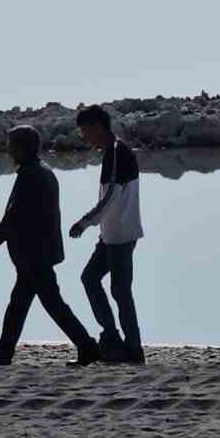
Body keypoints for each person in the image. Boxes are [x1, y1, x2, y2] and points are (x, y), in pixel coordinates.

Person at [0, 125, 101, 367]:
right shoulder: (40, 172)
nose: (8, 150)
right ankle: (5, 353)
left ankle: (87, 346)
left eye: (12, 145)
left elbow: (13, 218)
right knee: (21, 305)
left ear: (24, 148)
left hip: (34, 255)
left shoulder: (31, 175)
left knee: (50, 305)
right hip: (37, 255)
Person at [68, 105, 145, 364]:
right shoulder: (113, 151)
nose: (85, 137)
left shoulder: (115, 152)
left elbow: (111, 197)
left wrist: (84, 222)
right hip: (113, 233)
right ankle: (113, 338)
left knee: (119, 291)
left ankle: (130, 348)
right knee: (92, 280)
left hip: (120, 234)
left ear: (98, 127)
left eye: (86, 131)